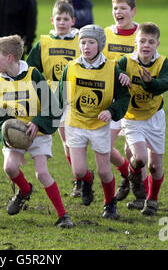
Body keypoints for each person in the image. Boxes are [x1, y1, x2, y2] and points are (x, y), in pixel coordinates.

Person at [0, 35, 74, 228]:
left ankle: (63, 215)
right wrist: (6, 139)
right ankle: (24, 190)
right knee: (10, 168)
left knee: (42, 174)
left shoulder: (33, 75)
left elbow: (52, 107)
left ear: (10, 57)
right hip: (15, 133)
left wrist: (37, 123)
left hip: (39, 133)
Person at [57, 25, 130, 219]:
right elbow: (59, 97)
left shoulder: (113, 68)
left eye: (91, 42)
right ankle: (87, 181)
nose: (86, 46)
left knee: (105, 171)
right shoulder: (71, 67)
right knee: (79, 171)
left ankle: (109, 203)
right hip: (76, 123)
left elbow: (124, 98)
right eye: (82, 42)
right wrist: (45, 120)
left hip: (99, 126)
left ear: (101, 44)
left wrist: (111, 111)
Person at [26, 0, 81, 197]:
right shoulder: (44, 43)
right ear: (52, 20)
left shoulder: (80, 41)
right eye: (59, 18)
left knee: (77, 142)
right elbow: (30, 68)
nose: (62, 22)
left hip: (77, 97)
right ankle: (80, 179)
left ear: (73, 20)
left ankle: (82, 177)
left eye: (66, 19)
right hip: (54, 99)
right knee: (67, 143)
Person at [117, 22, 168, 215]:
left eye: (151, 41)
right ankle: (133, 174)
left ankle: (152, 200)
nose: (146, 45)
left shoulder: (162, 62)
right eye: (142, 41)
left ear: (157, 44)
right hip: (132, 117)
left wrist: (150, 82)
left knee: (155, 166)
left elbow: (166, 84)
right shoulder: (125, 61)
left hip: (155, 117)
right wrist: (121, 78)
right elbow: (116, 79)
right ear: (135, 42)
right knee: (139, 157)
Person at [102, 0, 140, 205]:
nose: (118, 12)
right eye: (115, 8)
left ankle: (139, 193)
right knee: (104, 147)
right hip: (113, 101)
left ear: (133, 11)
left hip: (137, 103)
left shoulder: (141, 34)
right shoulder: (106, 34)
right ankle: (127, 175)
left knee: (135, 151)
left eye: (123, 8)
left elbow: (148, 62)